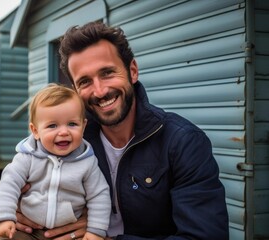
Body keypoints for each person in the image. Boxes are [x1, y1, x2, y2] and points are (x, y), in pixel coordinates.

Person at [15, 21, 229, 239]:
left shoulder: (183, 142)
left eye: (107, 73)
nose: (99, 91)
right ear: (76, 90)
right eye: (85, 81)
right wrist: (12, 210)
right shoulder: (70, 134)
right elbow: (17, 174)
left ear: (132, 71)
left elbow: (205, 235)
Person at [0, 83, 111, 240]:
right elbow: (8, 185)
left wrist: (95, 231)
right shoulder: (27, 157)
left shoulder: (87, 162)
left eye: (72, 124)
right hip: (29, 229)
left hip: (68, 232)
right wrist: (4, 217)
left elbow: (99, 195)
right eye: (52, 125)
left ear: (83, 126)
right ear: (35, 131)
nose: (63, 132)